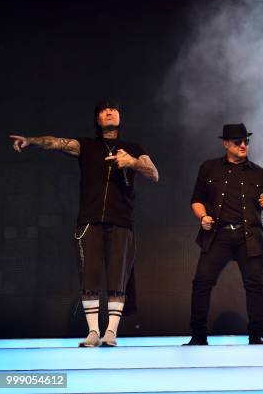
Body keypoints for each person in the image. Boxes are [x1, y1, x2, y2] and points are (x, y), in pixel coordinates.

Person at [9, 98, 159, 347]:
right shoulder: (87, 146)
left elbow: (154, 173)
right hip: (89, 219)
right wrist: (32, 141)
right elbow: (56, 142)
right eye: (103, 110)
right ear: (97, 120)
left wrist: (131, 162)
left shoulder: (132, 147)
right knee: (90, 275)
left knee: (117, 277)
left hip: (121, 220)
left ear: (120, 117)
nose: (109, 112)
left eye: (113, 109)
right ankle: (92, 332)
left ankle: (110, 332)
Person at [185, 123, 263, 345]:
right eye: (238, 142)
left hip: (249, 236)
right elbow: (196, 200)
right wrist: (203, 217)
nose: (243, 145)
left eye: (246, 141)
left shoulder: (258, 172)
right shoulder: (209, 168)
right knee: (202, 283)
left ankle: (256, 336)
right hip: (218, 234)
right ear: (226, 144)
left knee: (255, 286)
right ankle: (198, 336)